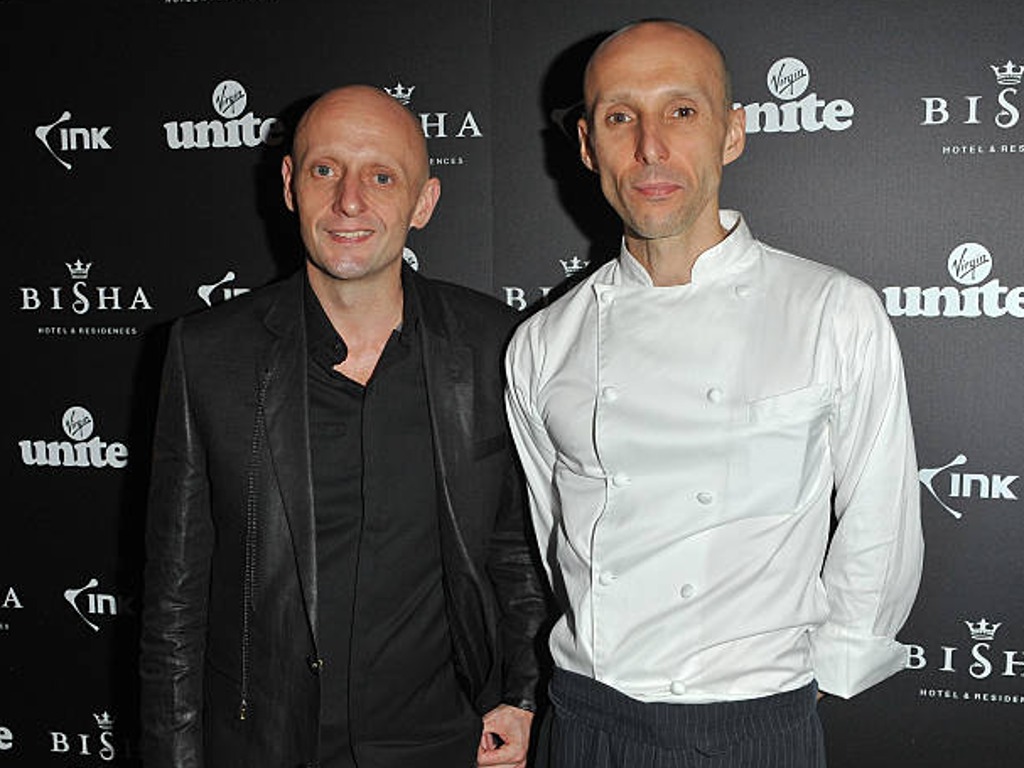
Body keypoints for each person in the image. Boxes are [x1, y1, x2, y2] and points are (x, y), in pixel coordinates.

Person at [504, 20, 924, 768]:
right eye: (620, 117)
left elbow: (880, 522)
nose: (650, 148)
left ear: (731, 132)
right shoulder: (544, 342)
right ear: (587, 145)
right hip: (587, 721)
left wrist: (816, 678)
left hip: (754, 727)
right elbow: (552, 530)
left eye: (681, 111)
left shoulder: (832, 311)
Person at [140, 85, 546, 768]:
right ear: (289, 185)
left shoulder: (493, 347)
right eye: (325, 169)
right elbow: (175, 602)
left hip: (445, 744)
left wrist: (523, 691)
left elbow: (515, 548)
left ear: (424, 202)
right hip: (267, 747)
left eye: (381, 176)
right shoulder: (210, 354)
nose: (349, 201)